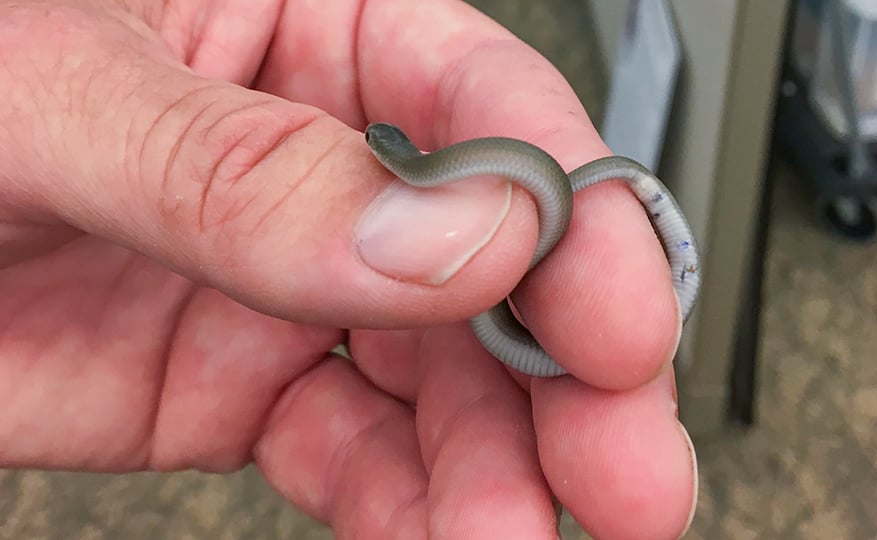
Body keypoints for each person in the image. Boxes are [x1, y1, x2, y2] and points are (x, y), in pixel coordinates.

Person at [0, 1, 697, 538]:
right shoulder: (414, 170)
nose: (372, 142)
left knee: (605, 330)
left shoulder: (428, 169)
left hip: (511, 273)